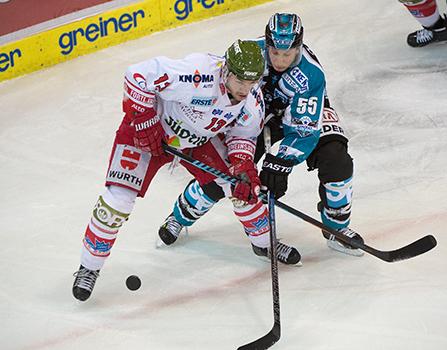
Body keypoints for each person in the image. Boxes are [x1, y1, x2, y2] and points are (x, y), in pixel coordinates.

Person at [72, 39, 301, 302]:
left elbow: (243, 136)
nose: (245, 90)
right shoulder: (197, 73)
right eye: (241, 82)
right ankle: (88, 267)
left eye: (251, 83)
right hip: (148, 134)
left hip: (198, 141)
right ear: (226, 71)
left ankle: (265, 244)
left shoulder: (252, 100)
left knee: (244, 188)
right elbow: (136, 75)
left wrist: (242, 163)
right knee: (117, 202)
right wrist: (145, 118)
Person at [158, 13, 364, 260]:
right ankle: (181, 215)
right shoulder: (248, 54)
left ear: (298, 47)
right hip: (249, 119)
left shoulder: (312, 75)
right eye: (275, 52)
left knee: (336, 158)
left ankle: (336, 228)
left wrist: (279, 163)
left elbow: (304, 130)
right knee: (227, 175)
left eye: (287, 54)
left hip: (299, 117)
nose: (280, 60)